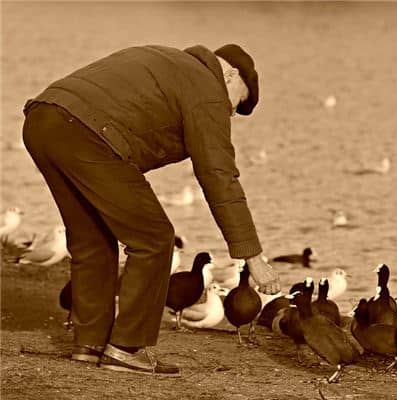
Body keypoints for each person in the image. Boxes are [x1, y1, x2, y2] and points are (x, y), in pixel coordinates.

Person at [22, 43, 280, 377]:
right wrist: (253, 258)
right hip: (86, 132)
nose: (229, 115)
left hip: (44, 119)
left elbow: (131, 124)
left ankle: (89, 344)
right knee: (155, 238)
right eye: (235, 105)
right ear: (229, 75)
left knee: (92, 238)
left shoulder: (167, 59)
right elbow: (219, 177)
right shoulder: (207, 89)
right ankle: (127, 348)